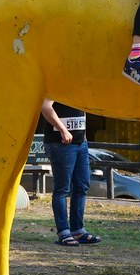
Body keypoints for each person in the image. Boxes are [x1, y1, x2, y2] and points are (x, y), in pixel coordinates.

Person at [40, 99, 101, 247]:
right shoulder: (57, 84)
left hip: (81, 143)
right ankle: (64, 233)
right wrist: (63, 130)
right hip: (60, 143)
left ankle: (78, 231)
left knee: (82, 186)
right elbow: (45, 107)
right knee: (62, 188)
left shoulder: (78, 87)